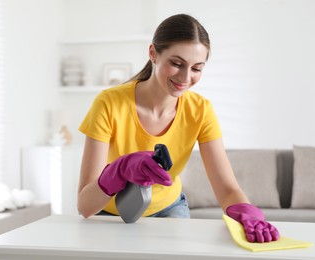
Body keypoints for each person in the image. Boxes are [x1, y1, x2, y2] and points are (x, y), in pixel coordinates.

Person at [77, 14, 280, 243]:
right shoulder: (109, 104)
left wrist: (246, 212)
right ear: (153, 53)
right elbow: (85, 206)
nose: (185, 77)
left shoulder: (200, 111)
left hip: (168, 211)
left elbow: (226, 187)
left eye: (197, 68)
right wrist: (119, 170)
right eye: (176, 64)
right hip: (108, 213)